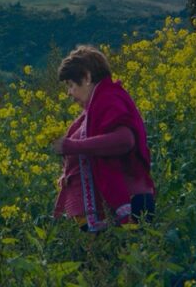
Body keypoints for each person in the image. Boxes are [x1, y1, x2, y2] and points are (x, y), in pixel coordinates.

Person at [52, 45, 155, 232]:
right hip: (116, 209)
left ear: (87, 77)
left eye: (71, 85)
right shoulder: (95, 108)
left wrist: (74, 146)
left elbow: (125, 140)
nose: (69, 93)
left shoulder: (109, 99)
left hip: (129, 206)